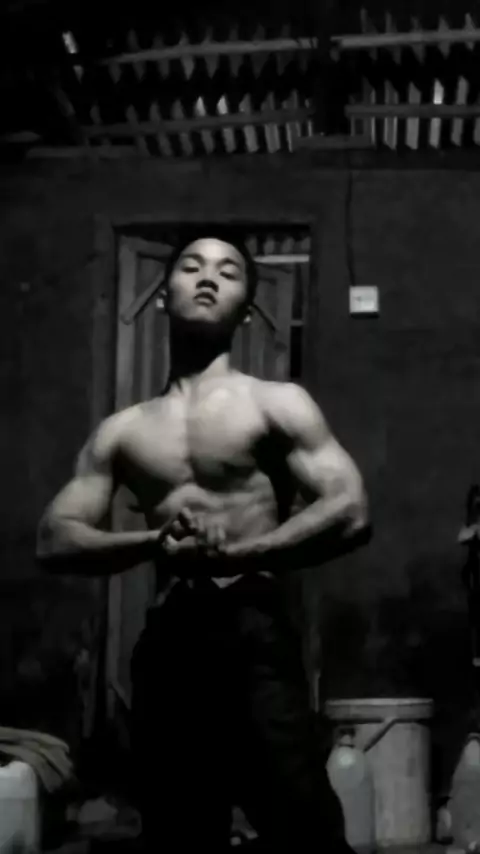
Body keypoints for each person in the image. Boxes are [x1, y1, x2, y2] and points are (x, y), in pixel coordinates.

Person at [37, 227, 370, 853]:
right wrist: (152, 543)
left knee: (303, 825)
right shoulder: (122, 431)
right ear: (164, 295)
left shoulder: (277, 404)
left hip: (254, 625)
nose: (209, 277)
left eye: (228, 270)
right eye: (191, 266)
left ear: (247, 309)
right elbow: (55, 538)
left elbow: (350, 510)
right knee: (179, 831)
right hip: (172, 633)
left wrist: (243, 553)